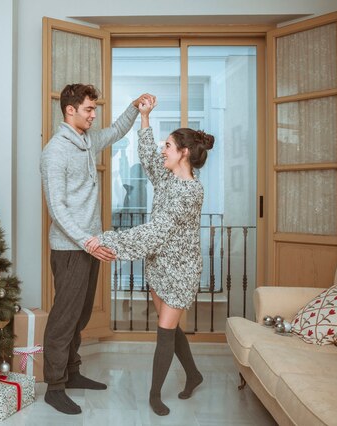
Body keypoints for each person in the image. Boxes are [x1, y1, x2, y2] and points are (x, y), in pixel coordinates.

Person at [85, 97, 215, 416]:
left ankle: (154, 395)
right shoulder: (169, 178)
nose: (162, 148)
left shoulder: (190, 192)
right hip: (159, 265)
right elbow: (148, 158)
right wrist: (144, 117)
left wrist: (108, 242)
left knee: (164, 333)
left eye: (168, 145)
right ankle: (194, 374)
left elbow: (155, 233)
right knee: (168, 327)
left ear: (183, 152)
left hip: (180, 271)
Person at [40, 83, 153, 415]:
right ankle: (54, 386)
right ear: (70, 110)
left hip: (91, 245)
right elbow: (56, 208)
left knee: (82, 313)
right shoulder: (55, 151)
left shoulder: (87, 141)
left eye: (94, 109)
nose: (93, 114)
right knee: (64, 317)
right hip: (71, 247)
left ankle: (72, 373)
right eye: (89, 109)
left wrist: (134, 106)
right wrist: (87, 240)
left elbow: (117, 130)